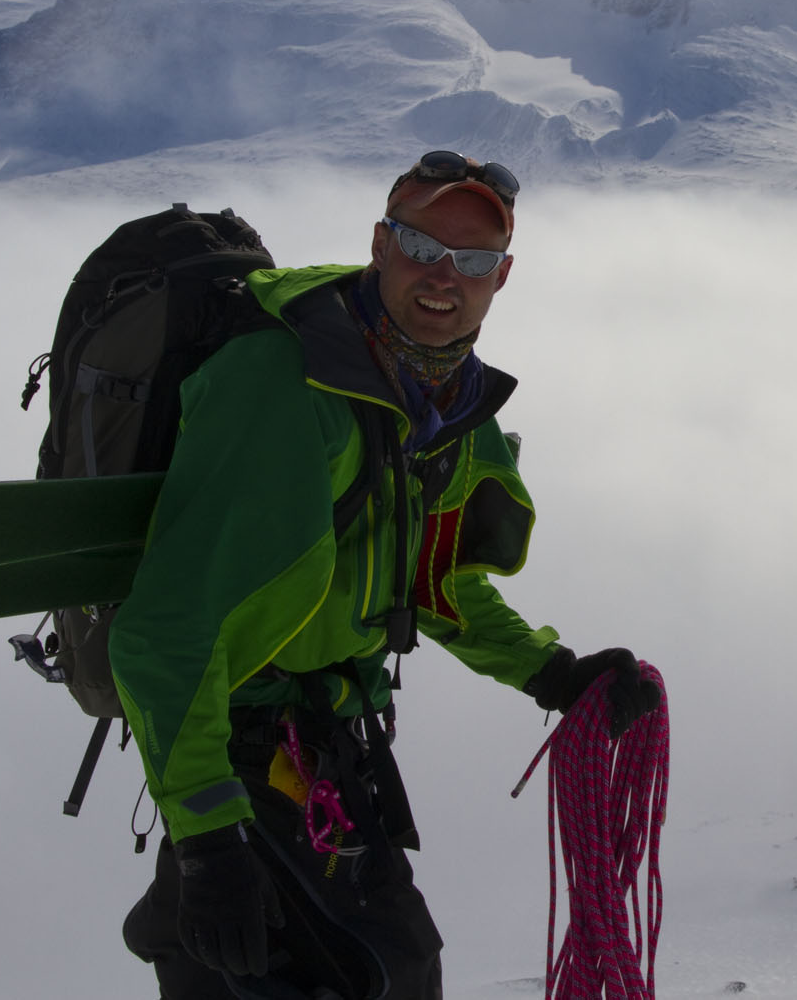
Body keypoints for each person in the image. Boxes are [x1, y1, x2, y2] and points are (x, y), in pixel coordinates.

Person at [114, 151, 660, 1000]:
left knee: (401, 971)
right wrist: (210, 840)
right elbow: (164, 630)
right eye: (422, 244)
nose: (446, 275)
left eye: (474, 259)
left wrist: (551, 670)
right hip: (242, 762)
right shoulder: (287, 390)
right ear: (379, 243)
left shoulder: (445, 394)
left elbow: (435, 578)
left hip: (334, 757)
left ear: (502, 277)